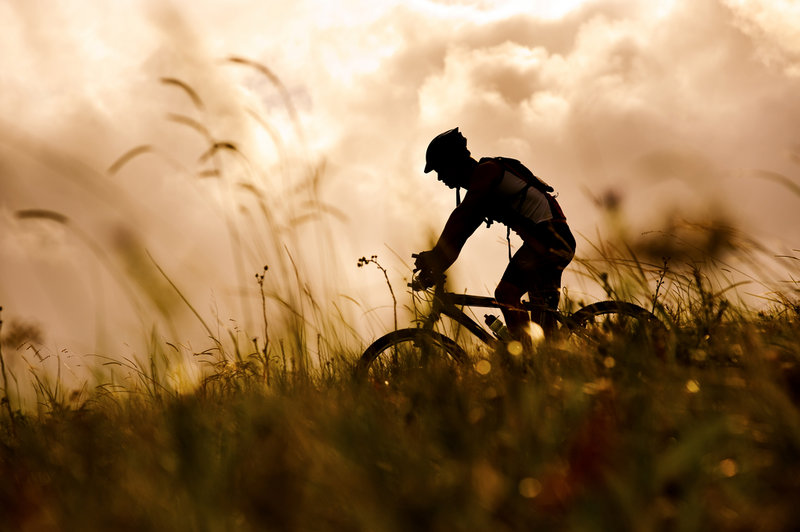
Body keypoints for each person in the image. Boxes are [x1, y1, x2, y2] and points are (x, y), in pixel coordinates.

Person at [414, 127, 576, 343]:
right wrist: (434, 269)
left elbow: (461, 215)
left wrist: (434, 253)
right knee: (545, 330)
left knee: (506, 294)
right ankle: (547, 363)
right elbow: (458, 239)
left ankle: (525, 361)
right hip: (545, 242)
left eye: (440, 170)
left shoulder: (487, 171)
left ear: (454, 162)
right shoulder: (481, 194)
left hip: (550, 238)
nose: (440, 178)